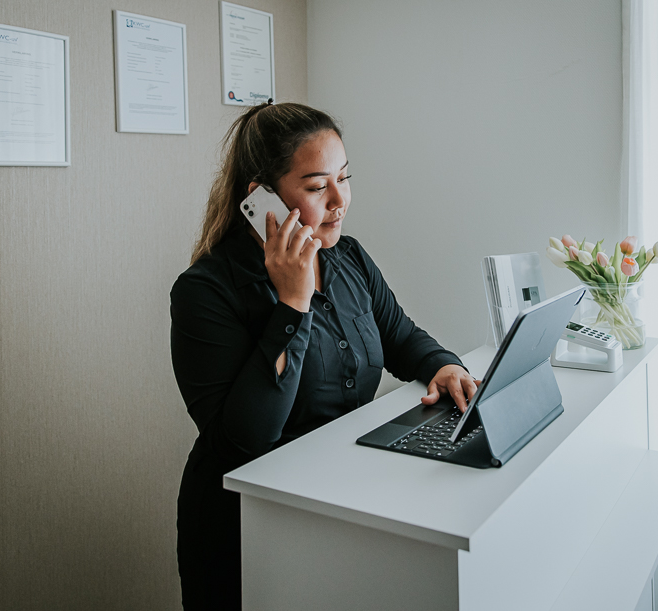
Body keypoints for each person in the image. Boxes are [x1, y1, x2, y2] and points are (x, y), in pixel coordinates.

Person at [170, 101, 479, 609]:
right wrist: (292, 303)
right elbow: (246, 436)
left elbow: (399, 335)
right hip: (247, 528)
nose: (341, 200)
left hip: (335, 506)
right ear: (262, 199)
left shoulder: (348, 256)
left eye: (344, 178)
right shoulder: (205, 292)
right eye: (317, 187)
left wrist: (443, 365)